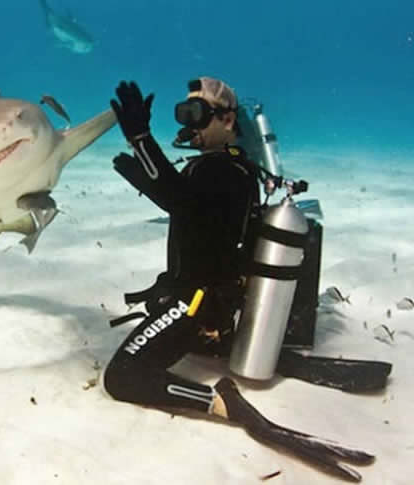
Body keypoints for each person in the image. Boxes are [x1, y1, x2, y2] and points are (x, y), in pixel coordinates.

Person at [102, 78, 379, 481]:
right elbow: (191, 207)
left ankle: (221, 402)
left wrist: (142, 141)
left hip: (196, 301)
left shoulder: (223, 169)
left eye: (198, 114)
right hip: (209, 299)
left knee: (123, 376)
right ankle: (238, 345)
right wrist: (143, 169)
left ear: (229, 120)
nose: (190, 124)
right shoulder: (230, 166)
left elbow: (182, 202)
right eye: (184, 113)